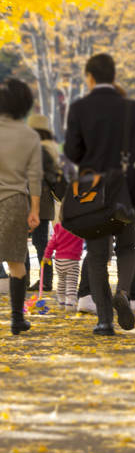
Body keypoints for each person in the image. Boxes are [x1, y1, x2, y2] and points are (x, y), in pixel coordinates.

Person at [64, 54, 135, 336]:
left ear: (89, 77)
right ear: (114, 77)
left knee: (98, 256)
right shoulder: (134, 109)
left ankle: (104, 321)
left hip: (94, 193)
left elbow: (72, 153)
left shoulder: (79, 108)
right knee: (127, 248)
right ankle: (123, 292)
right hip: (125, 189)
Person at [0, 78, 42, 335]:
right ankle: (17, 318)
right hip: (15, 203)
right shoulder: (30, 136)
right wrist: (34, 210)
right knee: (17, 262)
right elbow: (35, 177)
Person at [25, 113, 60, 292]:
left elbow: (34, 178)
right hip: (44, 202)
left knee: (34, 242)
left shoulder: (37, 149)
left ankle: (33, 280)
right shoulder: (50, 148)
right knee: (41, 243)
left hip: (34, 200)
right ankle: (45, 280)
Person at [43, 216, 84, 310]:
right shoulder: (79, 226)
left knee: (61, 282)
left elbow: (52, 242)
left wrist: (47, 255)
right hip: (72, 260)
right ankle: (70, 304)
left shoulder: (58, 226)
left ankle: (61, 302)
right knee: (71, 283)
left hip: (59, 260)